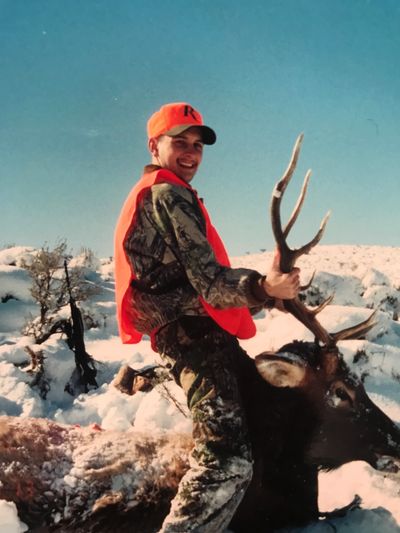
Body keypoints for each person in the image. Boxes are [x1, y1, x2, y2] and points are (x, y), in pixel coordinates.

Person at [114, 102, 300, 532]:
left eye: (197, 145)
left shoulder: (161, 190)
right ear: (153, 145)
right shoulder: (168, 194)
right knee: (227, 462)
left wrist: (265, 293)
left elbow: (200, 286)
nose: (191, 153)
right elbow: (210, 284)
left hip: (199, 333)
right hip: (192, 339)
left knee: (262, 421)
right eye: (179, 142)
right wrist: (263, 287)